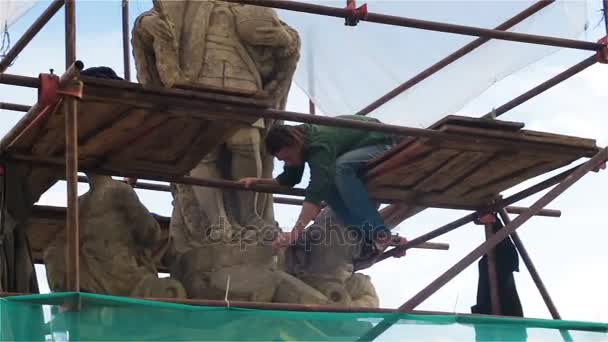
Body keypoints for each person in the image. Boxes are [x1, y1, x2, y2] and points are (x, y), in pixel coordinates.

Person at [240, 115, 407, 256]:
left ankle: (379, 232)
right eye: (283, 160)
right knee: (329, 190)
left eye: (288, 158)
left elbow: (315, 190)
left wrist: (294, 233)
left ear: (296, 144)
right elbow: (289, 179)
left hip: (381, 141)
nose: (288, 162)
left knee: (339, 169)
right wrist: (258, 182)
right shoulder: (298, 144)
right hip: (355, 150)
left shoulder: (319, 146)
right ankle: (368, 234)